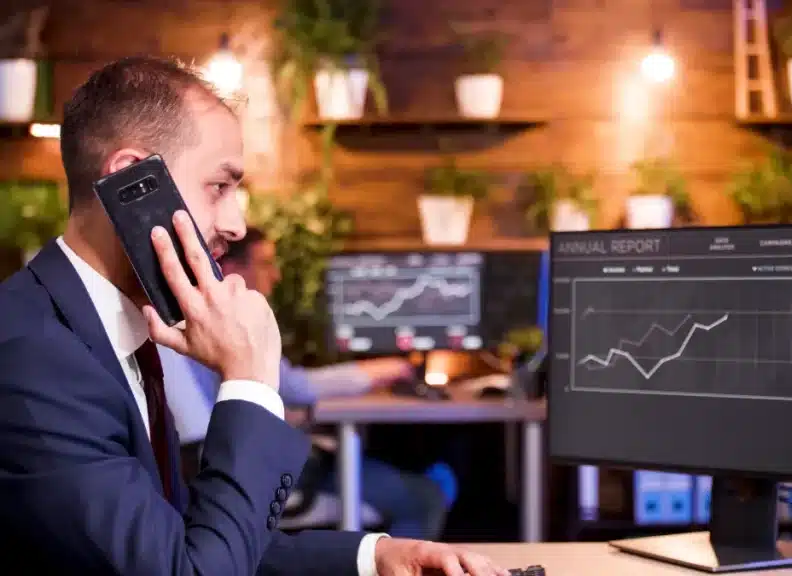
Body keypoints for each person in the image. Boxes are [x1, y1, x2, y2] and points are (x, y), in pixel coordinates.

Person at [0, 56, 506, 576]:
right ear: (134, 183)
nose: (239, 224)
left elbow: (188, 545)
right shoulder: (34, 357)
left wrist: (372, 557)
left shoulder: (101, 330)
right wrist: (250, 378)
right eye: (220, 187)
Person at [160, 227, 452, 540]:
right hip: (258, 474)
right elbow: (293, 387)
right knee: (427, 496)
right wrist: (381, 370)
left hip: (240, 465)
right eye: (265, 264)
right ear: (230, 269)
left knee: (424, 477)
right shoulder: (226, 325)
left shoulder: (191, 319)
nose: (276, 275)